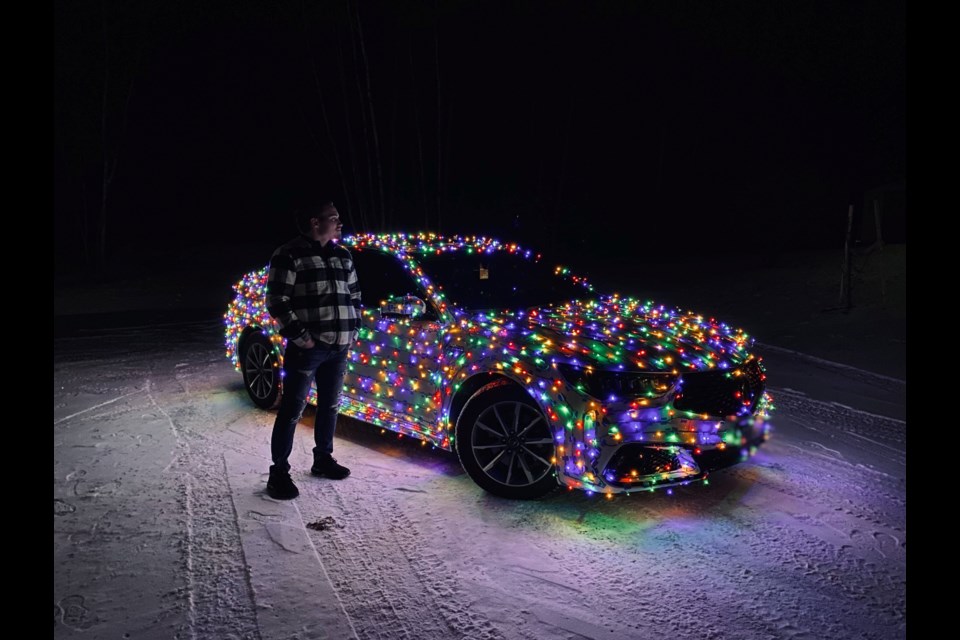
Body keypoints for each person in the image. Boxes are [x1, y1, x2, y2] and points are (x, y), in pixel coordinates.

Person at [264, 201, 361, 500]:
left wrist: (354, 327)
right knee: (292, 410)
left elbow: (355, 294)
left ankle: (323, 459)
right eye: (334, 218)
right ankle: (278, 472)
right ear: (315, 222)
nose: (340, 223)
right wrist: (302, 338)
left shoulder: (342, 254)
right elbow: (277, 301)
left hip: (339, 347)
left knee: (330, 406)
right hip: (309, 349)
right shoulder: (289, 254)